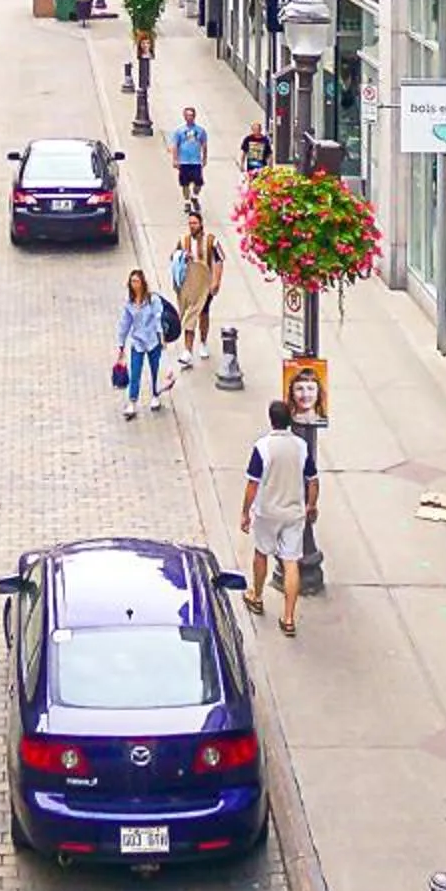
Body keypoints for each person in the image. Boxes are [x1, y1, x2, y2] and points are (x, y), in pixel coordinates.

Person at [242, 402, 317, 637]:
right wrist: (311, 505)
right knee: (291, 562)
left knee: (261, 553)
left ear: (271, 420)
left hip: (267, 512)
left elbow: (252, 484)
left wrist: (245, 512)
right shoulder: (301, 446)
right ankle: (288, 618)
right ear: (290, 419)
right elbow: (313, 480)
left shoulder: (262, 447)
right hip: (294, 512)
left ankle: (257, 595)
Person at [171, 211, 225, 369]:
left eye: (194, 223)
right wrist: (181, 256)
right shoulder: (183, 240)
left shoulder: (211, 241)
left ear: (201, 224)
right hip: (188, 284)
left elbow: (219, 260)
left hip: (205, 284)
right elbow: (173, 257)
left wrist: (216, 282)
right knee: (190, 315)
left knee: (203, 313)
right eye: (190, 223)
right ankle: (187, 351)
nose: (192, 226)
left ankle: (203, 341)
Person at [115, 268, 167, 421]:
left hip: (152, 341)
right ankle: (132, 401)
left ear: (143, 283)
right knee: (135, 371)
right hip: (137, 341)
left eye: (137, 281)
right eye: (132, 281)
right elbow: (125, 323)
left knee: (155, 370)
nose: (134, 284)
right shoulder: (130, 303)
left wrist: (161, 338)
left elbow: (158, 319)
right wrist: (121, 343)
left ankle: (155, 395)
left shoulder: (153, 300)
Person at [169, 105, 209, 212]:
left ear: (195, 116)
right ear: (184, 116)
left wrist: (204, 158)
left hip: (196, 161)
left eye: (191, 115)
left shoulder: (201, 131)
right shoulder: (179, 131)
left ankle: (194, 197)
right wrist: (175, 159)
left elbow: (204, 145)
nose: (189, 117)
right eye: (187, 115)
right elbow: (175, 146)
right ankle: (187, 202)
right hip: (184, 161)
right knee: (185, 183)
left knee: (199, 182)